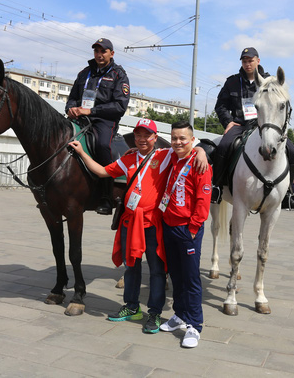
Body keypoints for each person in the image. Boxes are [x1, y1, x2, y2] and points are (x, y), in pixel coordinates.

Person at [69, 119, 208, 334]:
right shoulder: (128, 158)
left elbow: (184, 147)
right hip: (130, 221)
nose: (143, 139)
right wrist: (81, 153)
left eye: (147, 135)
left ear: (155, 137)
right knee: (131, 265)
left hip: (153, 222)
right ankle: (132, 307)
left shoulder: (164, 155)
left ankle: (154, 312)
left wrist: (200, 151)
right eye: (139, 135)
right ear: (134, 137)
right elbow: (102, 171)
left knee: (156, 270)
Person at [212, 47, 294, 201]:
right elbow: (221, 106)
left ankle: (288, 190)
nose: (247, 64)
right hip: (239, 125)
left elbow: (283, 105)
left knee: (292, 150)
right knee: (224, 146)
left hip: (264, 126)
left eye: (250, 60)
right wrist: (229, 122)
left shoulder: (271, 81)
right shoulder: (232, 82)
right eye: (244, 61)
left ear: (258, 61)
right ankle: (217, 187)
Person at [158, 121, 212, 348]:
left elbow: (203, 200)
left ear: (192, 140)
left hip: (188, 229)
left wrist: (192, 228)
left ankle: (194, 325)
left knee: (190, 279)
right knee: (176, 276)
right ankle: (179, 315)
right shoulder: (172, 157)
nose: (178, 142)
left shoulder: (201, 164)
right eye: (174, 138)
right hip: (169, 226)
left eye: (183, 139)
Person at [66, 38, 130, 215]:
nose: (99, 55)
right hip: (80, 117)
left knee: (102, 144)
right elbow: (72, 97)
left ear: (112, 53)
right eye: (96, 51)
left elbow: (119, 106)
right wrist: (70, 108)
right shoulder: (84, 73)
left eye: (103, 51)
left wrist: (91, 111)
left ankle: (106, 197)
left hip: (104, 120)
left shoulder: (119, 75)